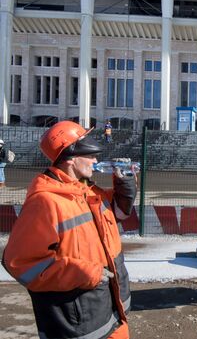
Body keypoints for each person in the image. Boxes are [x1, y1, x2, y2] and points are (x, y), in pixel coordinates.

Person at [2, 121, 137, 339]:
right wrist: (84, 273)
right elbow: (21, 263)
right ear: (72, 159)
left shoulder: (87, 190)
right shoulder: (46, 202)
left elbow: (117, 214)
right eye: (90, 156)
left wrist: (126, 185)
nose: (95, 161)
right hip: (79, 324)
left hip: (110, 311)